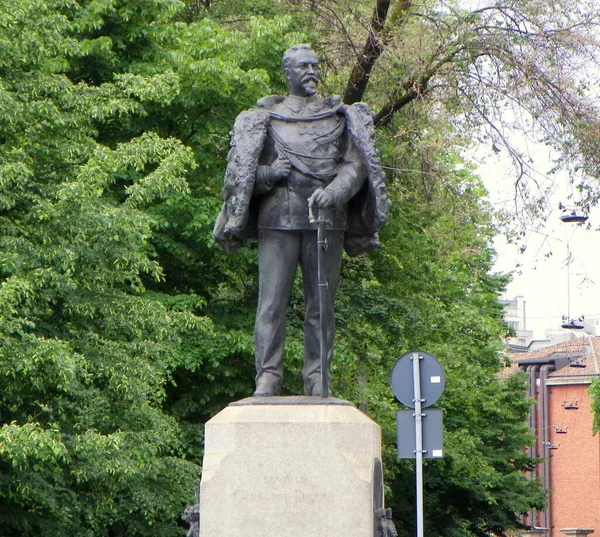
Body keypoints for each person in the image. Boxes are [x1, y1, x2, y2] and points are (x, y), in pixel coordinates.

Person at [213, 44, 389, 397]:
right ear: (288, 74)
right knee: (271, 304)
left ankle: (318, 378)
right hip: (277, 219)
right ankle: (267, 376)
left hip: (326, 220)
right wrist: (269, 174)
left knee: (321, 306)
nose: (311, 72)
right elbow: (240, 175)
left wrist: (336, 193)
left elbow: (355, 165)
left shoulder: (338, 117)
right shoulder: (266, 118)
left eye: (315, 65)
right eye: (303, 67)